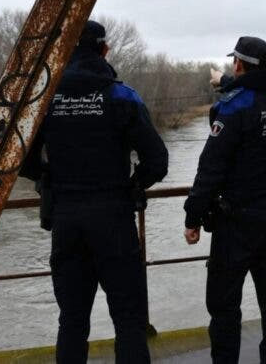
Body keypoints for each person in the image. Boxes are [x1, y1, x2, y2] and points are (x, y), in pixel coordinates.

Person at [21, 20, 168, 363]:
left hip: (67, 220)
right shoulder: (121, 96)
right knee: (129, 322)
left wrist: (47, 178)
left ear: (67, 51)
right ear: (104, 50)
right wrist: (133, 185)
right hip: (114, 218)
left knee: (72, 322)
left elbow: (20, 159)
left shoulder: (45, 99)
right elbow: (157, 160)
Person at [183, 36, 266, 364]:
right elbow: (260, 91)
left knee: (224, 307)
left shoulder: (232, 108)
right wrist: (229, 83)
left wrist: (192, 217)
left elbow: (210, 169)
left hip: (237, 224)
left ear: (239, 64)